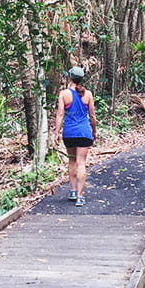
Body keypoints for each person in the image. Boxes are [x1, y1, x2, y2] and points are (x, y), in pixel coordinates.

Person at [53, 66, 97, 207]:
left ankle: (72, 191)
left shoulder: (64, 94)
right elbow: (92, 115)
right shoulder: (88, 94)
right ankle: (80, 196)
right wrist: (94, 130)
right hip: (84, 132)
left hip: (69, 133)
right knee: (81, 163)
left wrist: (56, 132)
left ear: (70, 77)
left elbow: (60, 114)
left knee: (72, 161)